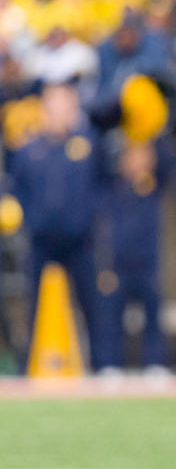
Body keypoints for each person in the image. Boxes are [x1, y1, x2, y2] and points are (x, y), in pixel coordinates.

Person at [10, 80, 110, 371]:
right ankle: (28, 364)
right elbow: (18, 189)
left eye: (65, 103)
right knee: (33, 304)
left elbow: (102, 185)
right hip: (41, 237)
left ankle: (101, 365)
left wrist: (90, 216)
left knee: (91, 302)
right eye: (53, 103)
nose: (59, 110)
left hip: (80, 238)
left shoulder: (88, 144)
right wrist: (30, 217)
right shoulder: (28, 149)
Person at [99, 140, 168, 373]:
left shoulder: (154, 186)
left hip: (148, 263)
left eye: (144, 156)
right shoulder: (113, 188)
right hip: (119, 263)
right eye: (132, 156)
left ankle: (155, 363)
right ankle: (111, 363)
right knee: (112, 317)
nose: (138, 162)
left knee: (153, 316)